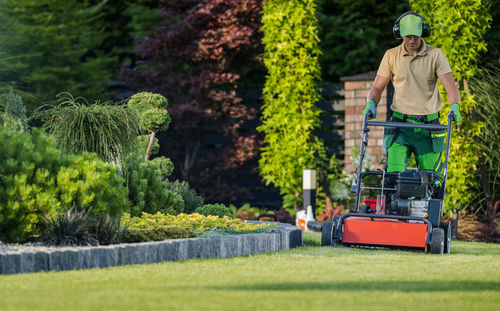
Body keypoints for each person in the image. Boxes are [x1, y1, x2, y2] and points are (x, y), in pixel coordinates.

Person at [363, 11, 462, 174]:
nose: (412, 40)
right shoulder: (391, 55)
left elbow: (450, 87)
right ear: (399, 34)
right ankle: (392, 199)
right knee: (393, 179)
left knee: (430, 182)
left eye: (415, 36)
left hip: (428, 127)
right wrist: (371, 103)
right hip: (399, 126)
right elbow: (378, 87)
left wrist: (455, 106)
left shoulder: (435, 55)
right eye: (407, 36)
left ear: (423, 32)